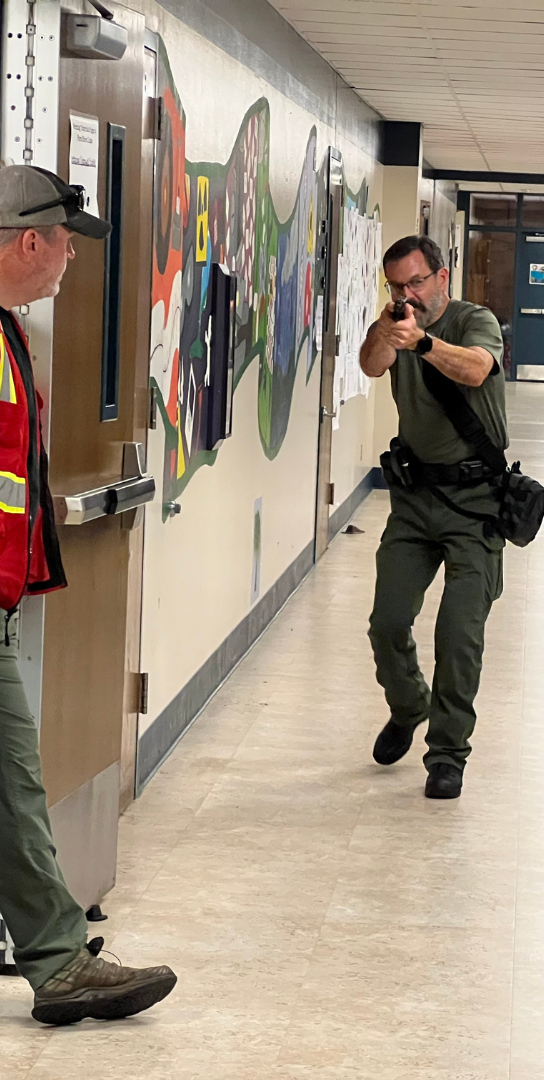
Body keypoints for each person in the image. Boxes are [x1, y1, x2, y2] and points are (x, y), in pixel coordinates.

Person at [0, 165, 177, 1024]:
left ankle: (58, 959)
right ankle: (59, 961)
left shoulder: (8, 333)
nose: (71, 259)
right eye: (66, 242)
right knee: (13, 781)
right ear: (29, 241)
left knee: (12, 784)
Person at [359, 235, 507, 800]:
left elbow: (475, 370)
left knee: (458, 634)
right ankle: (408, 704)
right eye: (396, 285)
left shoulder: (475, 320)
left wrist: (422, 343)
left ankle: (448, 752)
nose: (407, 294)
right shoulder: (394, 320)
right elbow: (373, 367)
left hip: (477, 503)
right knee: (388, 621)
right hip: (415, 500)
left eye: (416, 282)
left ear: (441, 278)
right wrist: (387, 330)